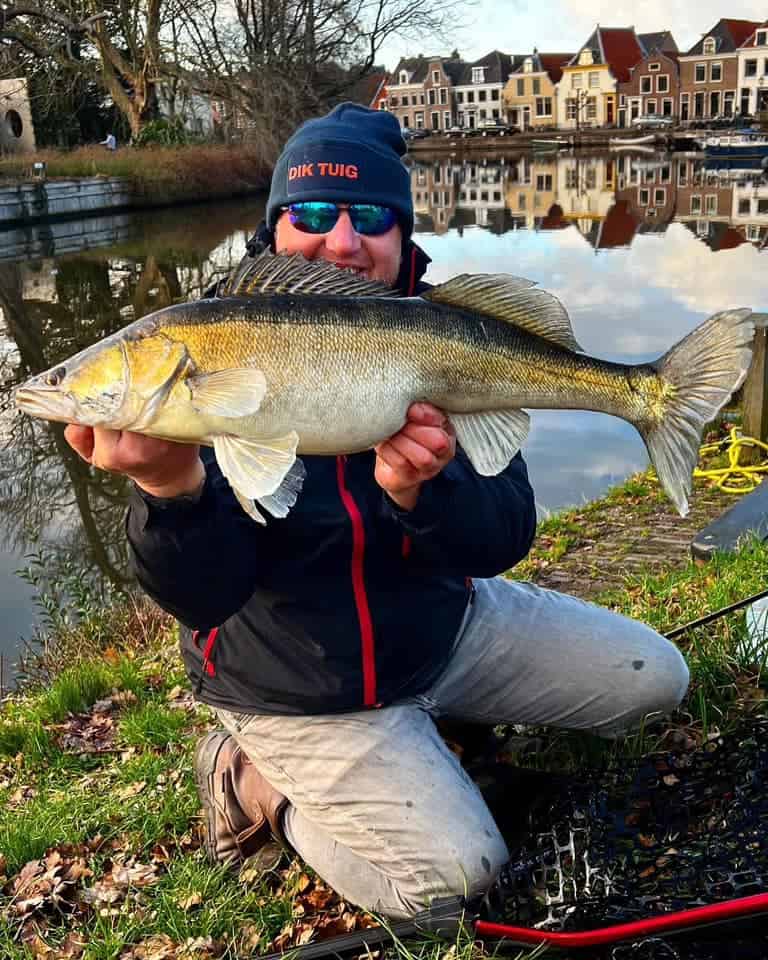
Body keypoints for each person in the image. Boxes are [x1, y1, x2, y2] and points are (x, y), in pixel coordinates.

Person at [65, 103, 689, 920]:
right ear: (275, 227)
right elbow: (205, 597)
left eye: (371, 216)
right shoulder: (210, 354)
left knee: (657, 681)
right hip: (297, 684)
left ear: (403, 234)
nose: (342, 240)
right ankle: (250, 781)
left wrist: (426, 493)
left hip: (441, 632)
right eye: (314, 214)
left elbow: (505, 535)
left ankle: (440, 726)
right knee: (454, 881)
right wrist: (170, 490)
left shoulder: (443, 331)